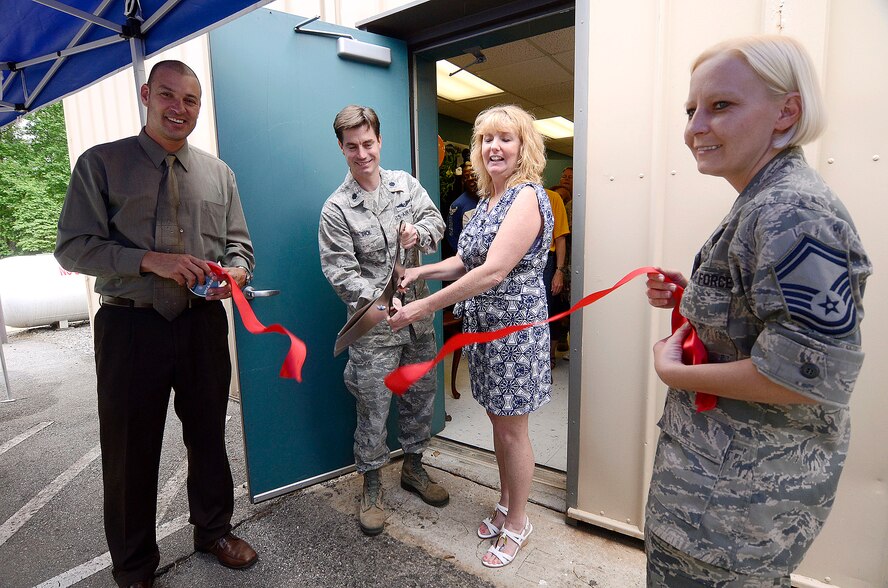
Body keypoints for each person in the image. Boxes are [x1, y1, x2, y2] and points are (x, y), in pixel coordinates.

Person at [644, 36, 871, 586]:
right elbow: (763, 322)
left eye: (721, 105)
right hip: (715, 503)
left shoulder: (791, 210)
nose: (696, 126)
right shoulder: (762, 198)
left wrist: (674, 371)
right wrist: (691, 296)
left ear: (786, 111)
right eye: (691, 109)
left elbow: (806, 377)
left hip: (731, 520)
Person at [54, 60, 258, 588]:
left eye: (190, 100)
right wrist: (150, 260)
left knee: (210, 435)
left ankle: (213, 530)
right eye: (168, 95)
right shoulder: (100, 164)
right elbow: (74, 247)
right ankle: (134, 566)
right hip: (130, 327)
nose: (179, 108)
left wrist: (233, 271)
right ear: (146, 94)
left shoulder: (220, 174)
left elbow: (240, 246)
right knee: (130, 447)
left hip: (201, 324)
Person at [388, 104, 554, 568]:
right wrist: (418, 269)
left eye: (505, 138)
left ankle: (519, 521)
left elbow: (493, 271)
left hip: (513, 334)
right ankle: (505, 503)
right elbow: (464, 262)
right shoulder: (488, 201)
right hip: (485, 331)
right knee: (498, 424)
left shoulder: (526, 197)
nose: (494, 147)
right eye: (486, 140)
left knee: (513, 430)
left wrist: (423, 305)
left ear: (524, 147)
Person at [318, 105, 448, 537]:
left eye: (368, 143)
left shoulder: (405, 185)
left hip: (418, 319)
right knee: (373, 406)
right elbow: (340, 272)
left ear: (379, 141)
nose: (362, 153)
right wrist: (380, 303)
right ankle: (372, 484)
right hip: (374, 326)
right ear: (341, 147)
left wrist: (418, 234)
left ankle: (413, 467)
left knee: (419, 395)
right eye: (351, 146)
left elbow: (437, 223)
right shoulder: (336, 209)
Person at [542, 188, 570, 365]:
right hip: (516, 262)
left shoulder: (553, 198)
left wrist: (559, 271)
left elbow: (560, 238)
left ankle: (546, 360)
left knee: (547, 312)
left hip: (547, 262)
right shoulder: (511, 195)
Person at [445, 160, 480, 252]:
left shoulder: (490, 198)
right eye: (466, 177)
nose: (470, 178)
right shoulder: (457, 205)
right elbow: (452, 236)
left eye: (473, 175)